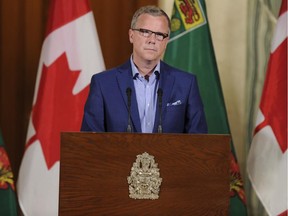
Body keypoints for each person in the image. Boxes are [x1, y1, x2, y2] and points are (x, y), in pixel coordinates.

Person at [81, 5, 207, 133]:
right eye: (145, 32)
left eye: (159, 35)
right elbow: (90, 142)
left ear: (166, 41)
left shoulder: (186, 84)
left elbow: (199, 141)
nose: (152, 40)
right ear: (131, 35)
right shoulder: (103, 83)